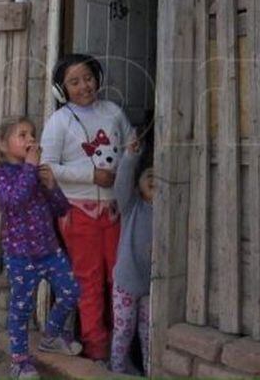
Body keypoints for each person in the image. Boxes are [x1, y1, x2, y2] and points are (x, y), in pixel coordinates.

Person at [40, 54, 133, 361]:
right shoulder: (59, 121)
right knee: (89, 281)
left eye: (88, 78)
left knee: (119, 281)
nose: (84, 86)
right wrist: (91, 175)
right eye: (74, 81)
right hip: (79, 216)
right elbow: (46, 167)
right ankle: (97, 350)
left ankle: (121, 350)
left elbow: (132, 147)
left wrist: (131, 156)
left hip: (114, 211)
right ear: (61, 89)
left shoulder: (113, 112)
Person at [0, 116, 82, 379]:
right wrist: (30, 169)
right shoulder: (0, 175)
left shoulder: (38, 172)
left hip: (50, 251)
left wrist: (52, 186)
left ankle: (51, 336)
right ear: (3, 145)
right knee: (21, 309)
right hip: (21, 256)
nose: (31, 139)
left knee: (72, 291)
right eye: (23, 135)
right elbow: (14, 202)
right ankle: (19, 361)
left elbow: (61, 209)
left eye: (32, 134)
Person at [109, 136, 153, 375]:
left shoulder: (167, 212)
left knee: (149, 335)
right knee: (123, 332)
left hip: (150, 288)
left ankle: (149, 371)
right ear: (138, 185)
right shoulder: (131, 206)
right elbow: (121, 185)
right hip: (126, 284)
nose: (154, 178)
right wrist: (130, 158)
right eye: (149, 175)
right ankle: (116, 370)